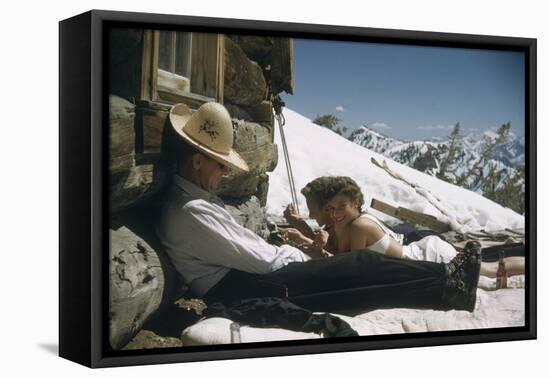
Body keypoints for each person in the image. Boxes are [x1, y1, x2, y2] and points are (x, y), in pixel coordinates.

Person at [156, 101, 482, 315]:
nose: (224, 174)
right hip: (246, 287)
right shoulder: (191, 211)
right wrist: (300, 256)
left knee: (356, 273)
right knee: (360, 267)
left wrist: (298, 250)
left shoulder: (191, 202)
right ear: (198, 161)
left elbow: (245, 252)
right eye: (221, 166)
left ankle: (444, 285)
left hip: (246, 279)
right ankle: (445, 286)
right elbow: (255, 258)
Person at [313, 176, 525, 279]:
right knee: (489, 265)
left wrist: (319, 248)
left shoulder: (359, 225)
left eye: (342, 206)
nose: (335, 213)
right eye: (331, 208)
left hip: (426, 257)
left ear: (355, 202)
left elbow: (350, 265)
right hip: (422, 252)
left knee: (491, 271)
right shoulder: (355, 221)